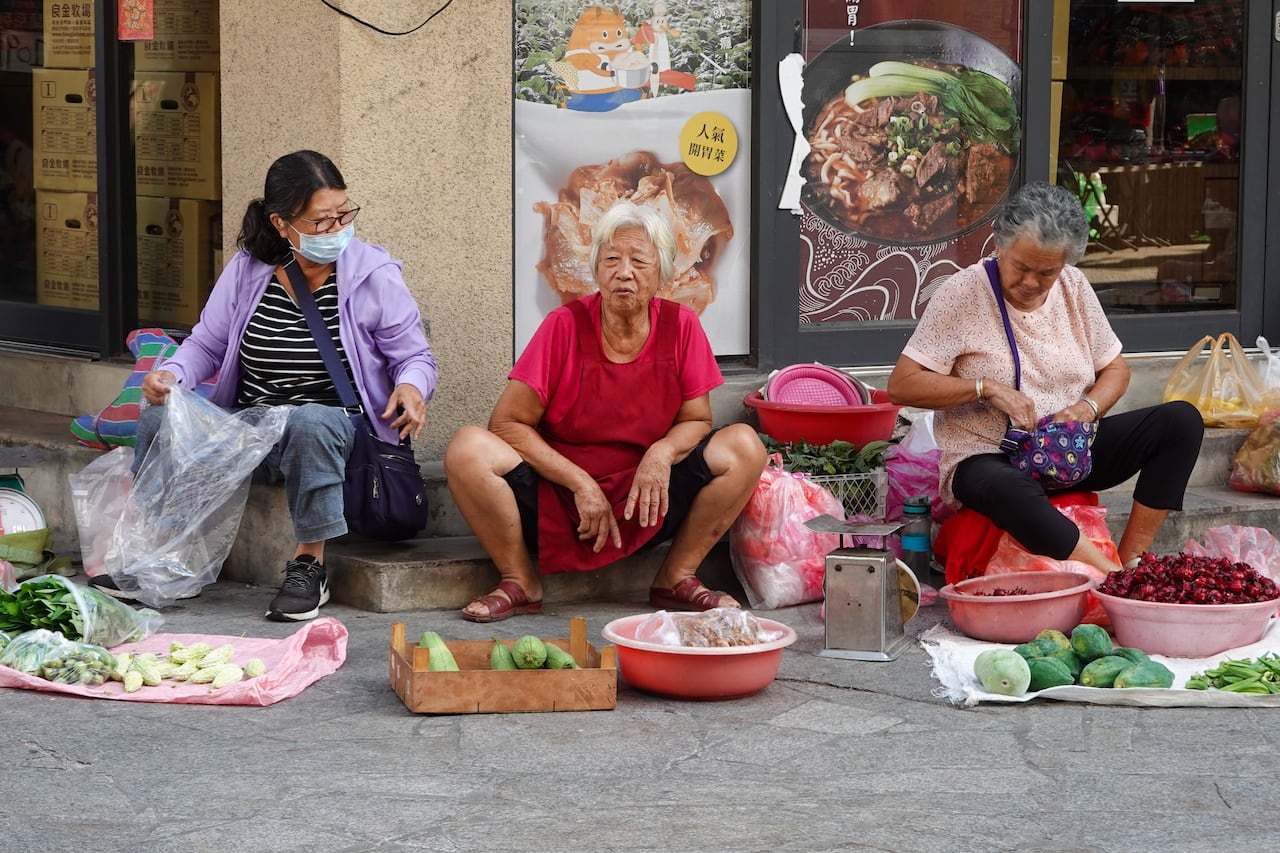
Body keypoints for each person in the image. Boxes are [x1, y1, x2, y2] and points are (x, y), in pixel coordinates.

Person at [91, 150, 437, 621]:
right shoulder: (248, 269)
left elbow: (414, 357)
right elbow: (206, 344)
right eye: (322, 220)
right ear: (281, 223)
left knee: (311, 422)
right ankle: (167, 553)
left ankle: (310, 565)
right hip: (255, 427)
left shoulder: (372, 276)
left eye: (344, 214)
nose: (338, 228)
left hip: (337, 432)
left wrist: (411, 387)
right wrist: (172, 376)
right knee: (160, 415)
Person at [444, 199, 765, 622]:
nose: (624, 272)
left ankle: (676, 577)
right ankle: (519, 580)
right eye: (611, 259)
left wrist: (661, 454)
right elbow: (507, 423)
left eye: (639, 261)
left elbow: (697, 419)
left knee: (744, 445)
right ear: (596, 269)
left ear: (663, 273)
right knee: (467, 447)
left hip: (647, 498)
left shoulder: (682, 326)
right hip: (560, 499)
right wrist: (579, 482)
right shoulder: (563, 325)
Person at [886, 181, 1203, 577]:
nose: (1031, 283)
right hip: (988, 456)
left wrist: (1087, 409)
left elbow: (1116, 369)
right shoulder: (963, 293)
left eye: (1047, 272)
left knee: (1180, 422)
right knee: (1008, 488)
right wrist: (986, 389)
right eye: (1021, 267)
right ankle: (1113, 577)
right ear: (999, 245)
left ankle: (1134, 560)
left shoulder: (1074, 286)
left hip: (1066, 449)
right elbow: (902, 384)